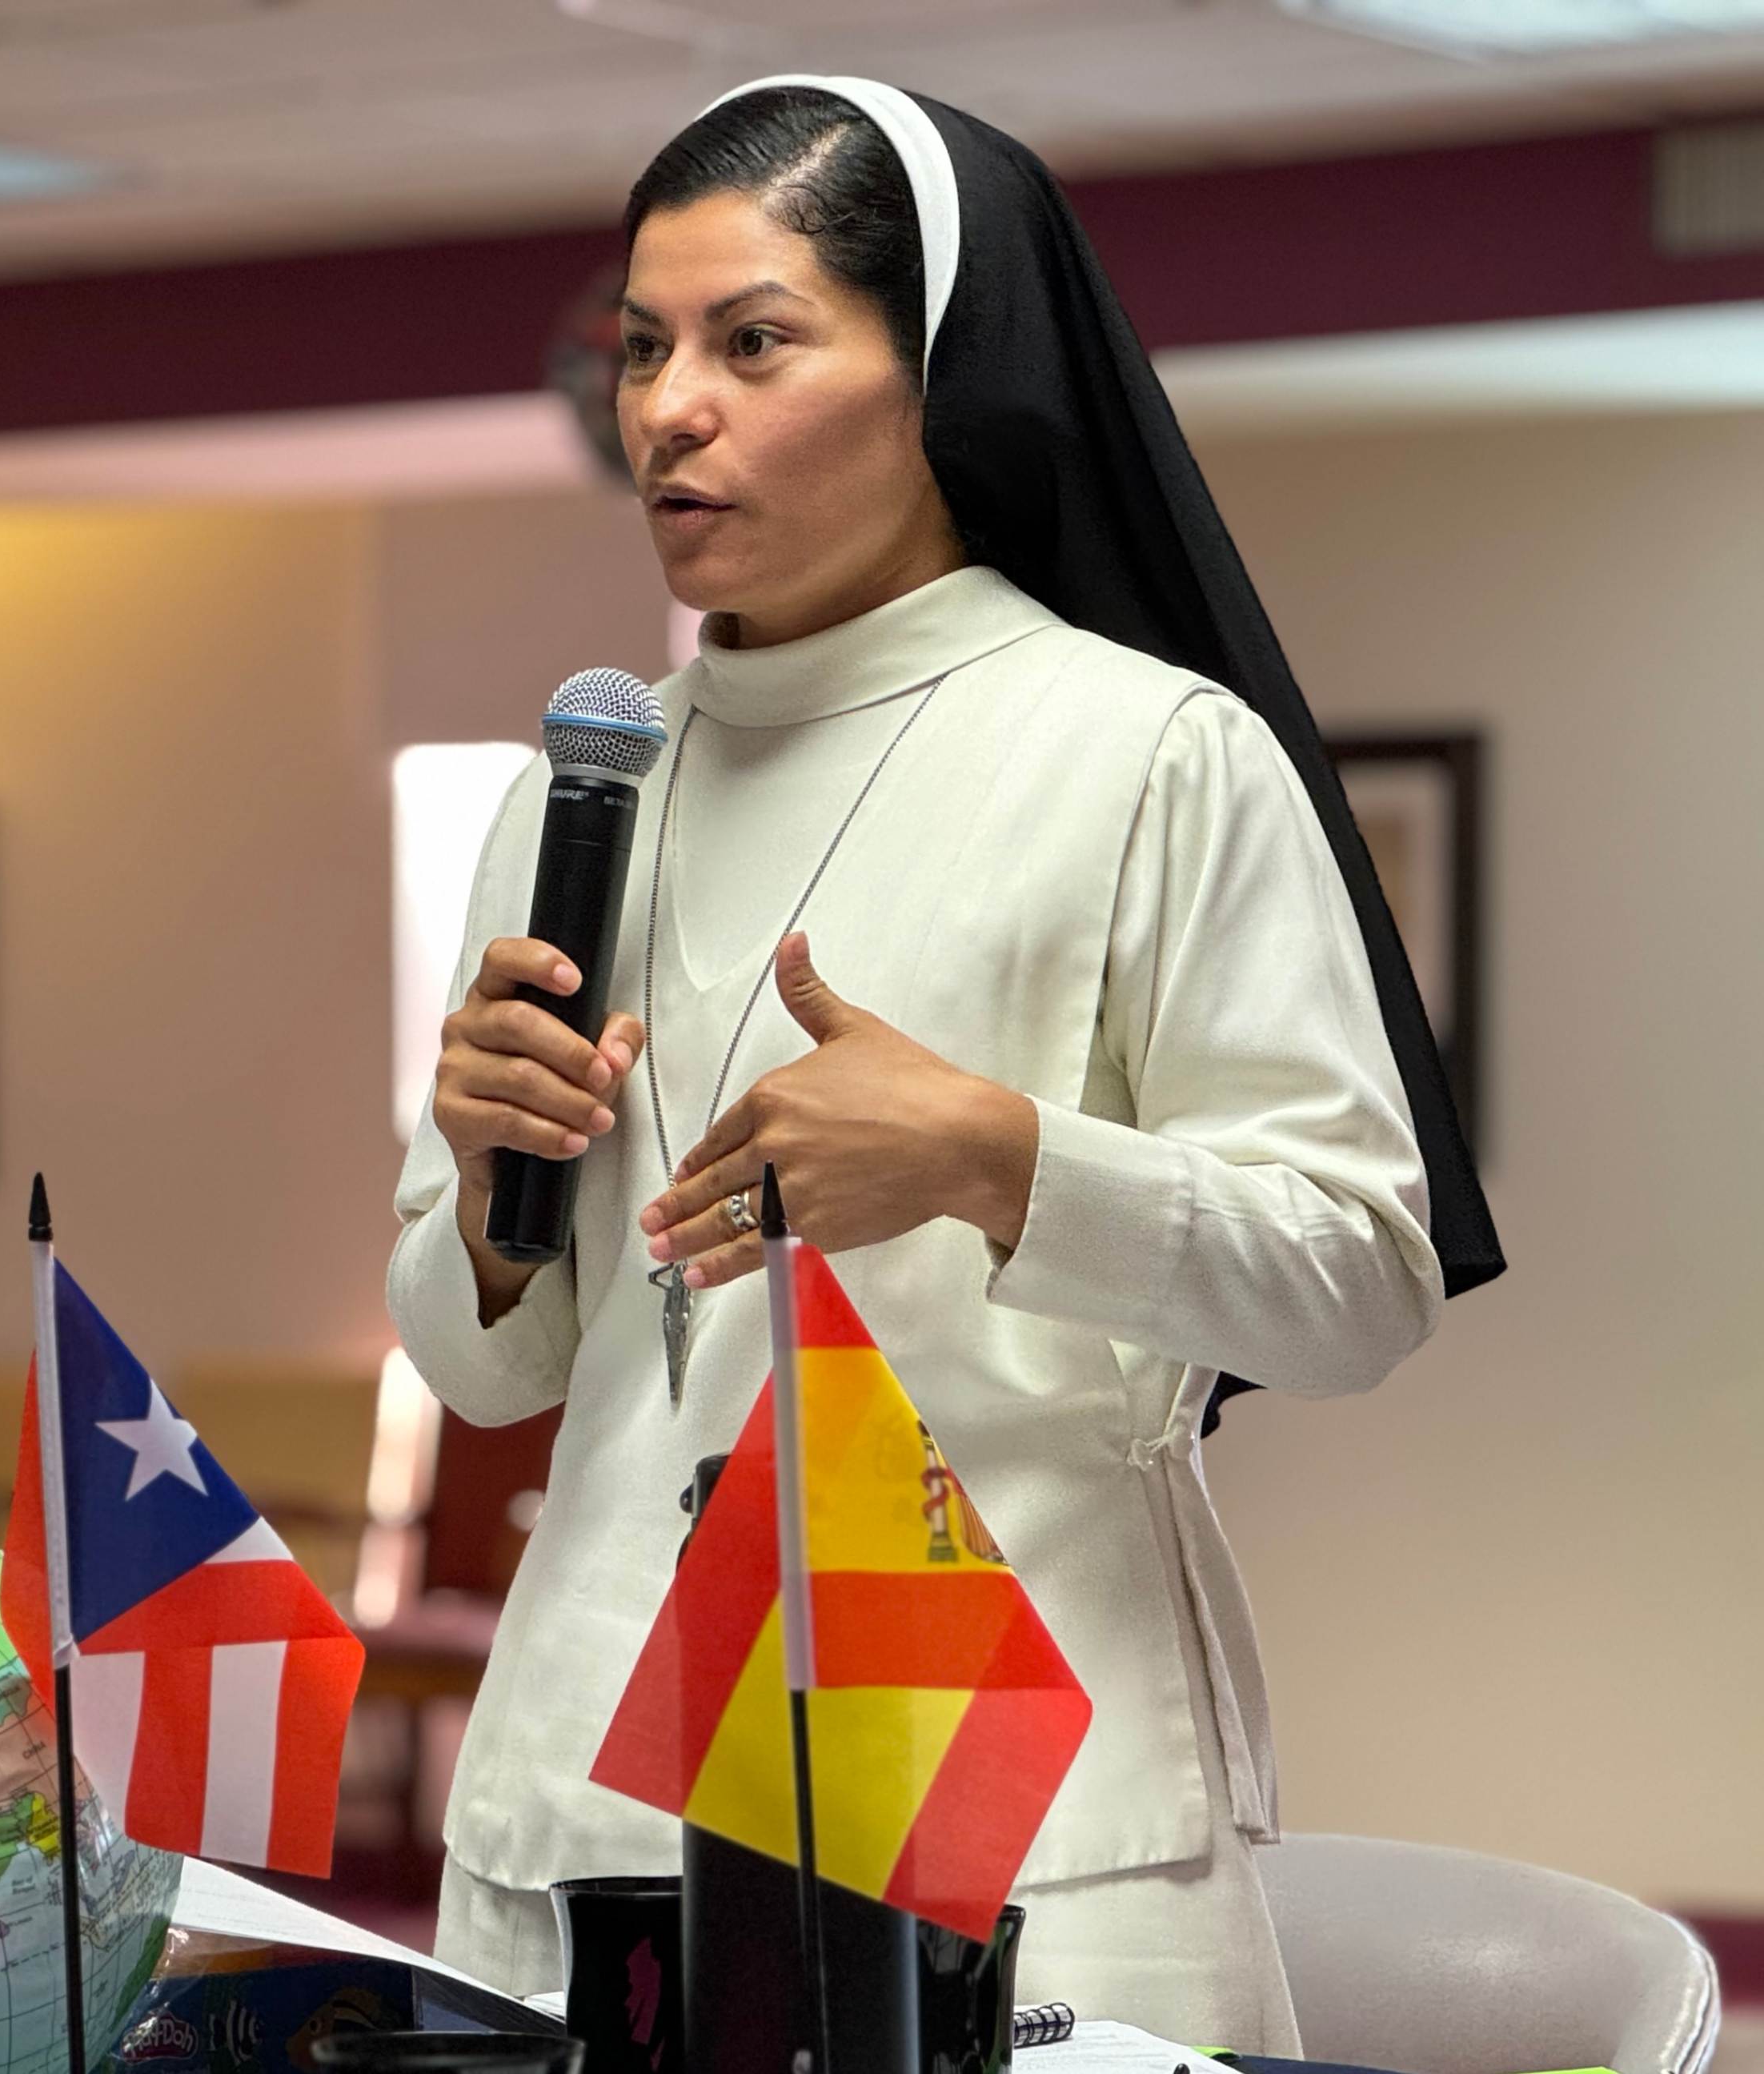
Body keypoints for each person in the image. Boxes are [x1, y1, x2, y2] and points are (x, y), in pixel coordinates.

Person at [387, 78, 1502, 2048]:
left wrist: (997, 1157)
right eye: (647, 348)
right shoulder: (582, 783)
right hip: (584, 1796)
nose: (668, 407)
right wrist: (487, 1207)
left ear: (941, 378)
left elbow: (1359, 1279)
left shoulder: (1147, 752)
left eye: (754, 341)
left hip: (1022, 1801)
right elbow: (493, 1372)